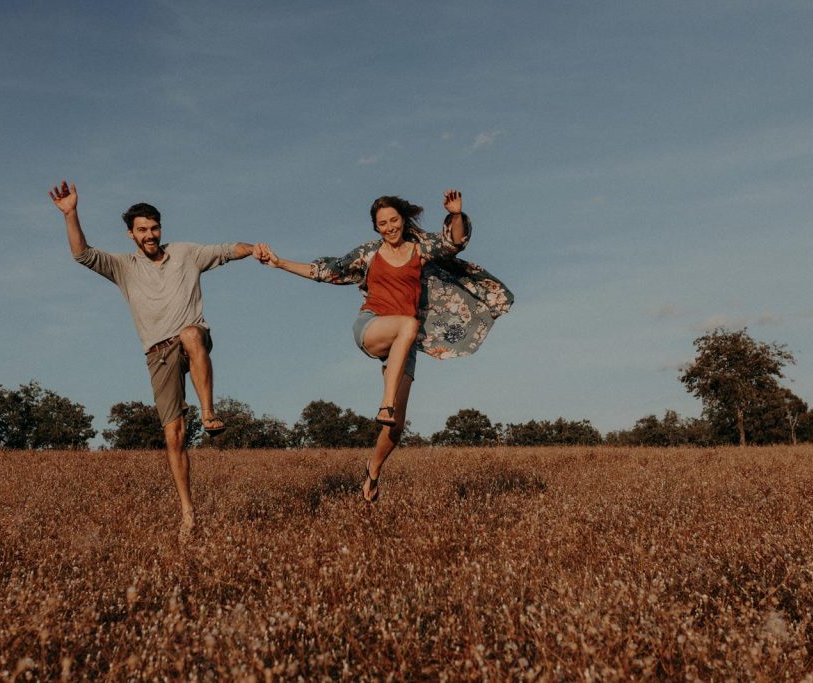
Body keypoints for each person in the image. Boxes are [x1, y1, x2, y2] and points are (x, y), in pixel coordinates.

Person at [256, 189, 513, 502]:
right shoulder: (369, 253)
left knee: (395, 429)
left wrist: (456, 214)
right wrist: (279, 262)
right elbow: (325, 271)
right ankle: (386, 402)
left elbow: (453, 243)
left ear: (403, 221)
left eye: (394, 220)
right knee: (407, 325)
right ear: (375, 227)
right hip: (373, 326)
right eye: (383, 223)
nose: (389, 227)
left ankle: (372, 470)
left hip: (403, 344)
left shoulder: (420, 249)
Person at [49, 180, 258, 542]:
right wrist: (71, 214)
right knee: (174, 436)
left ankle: (208, 414)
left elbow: (226, 250)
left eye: (155, 228)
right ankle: (188, 513)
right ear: (130, 234)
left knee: (192, 334)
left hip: (190, 339)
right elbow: (82, 254)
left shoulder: (186, 253)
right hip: (157, 354)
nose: (150, 235)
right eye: (142, 230)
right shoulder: (123, 267)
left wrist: (256, 250)